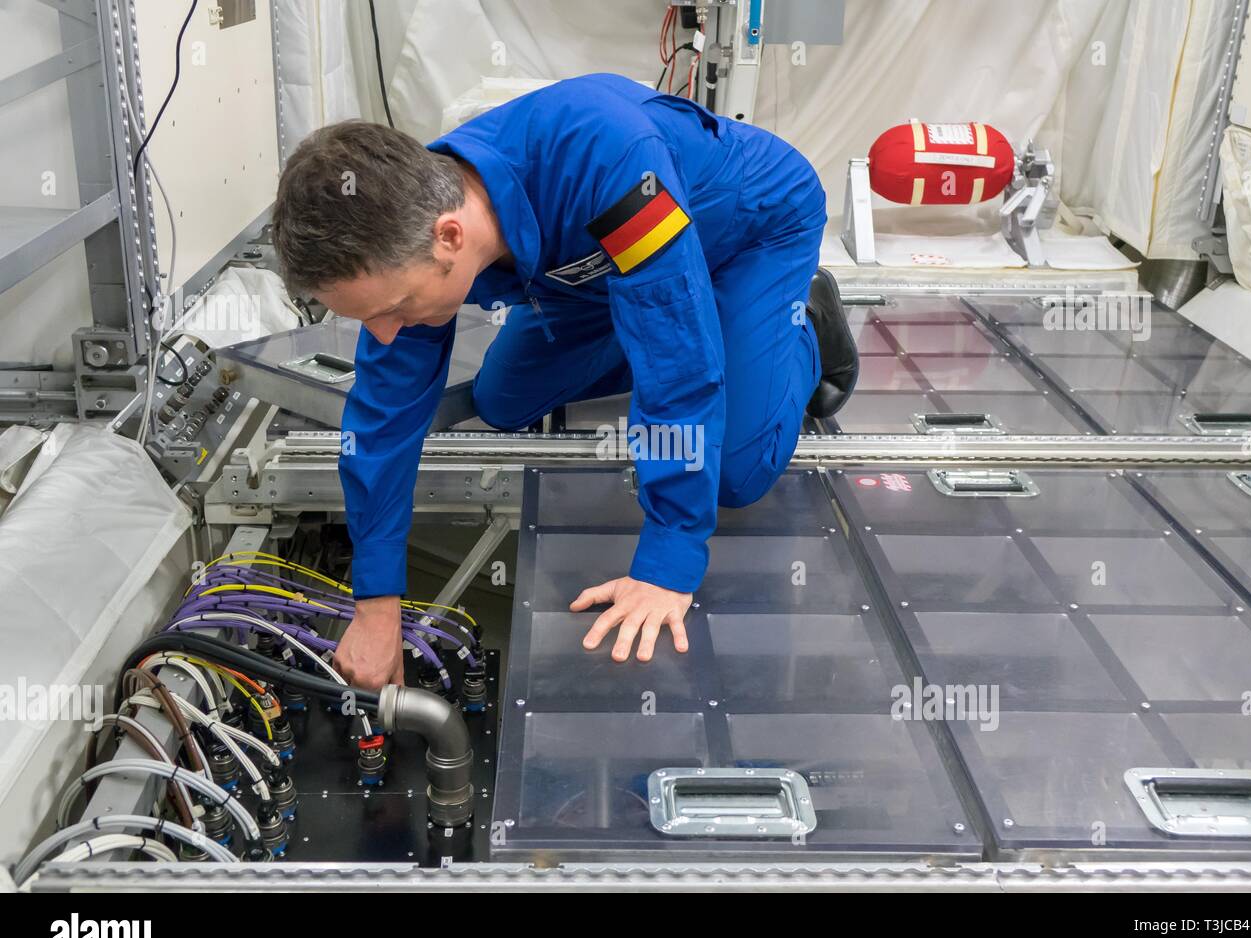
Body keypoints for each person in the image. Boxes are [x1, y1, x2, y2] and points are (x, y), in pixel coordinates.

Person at [271, 73, 855, 691]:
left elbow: (676, 365)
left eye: (393, 309)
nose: (384, 334)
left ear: (450, 236)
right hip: (599, 270)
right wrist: (376, 602)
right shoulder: (406, 224)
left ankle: (806, 330)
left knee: (734, 471)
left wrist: (669, 563)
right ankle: (700, 319)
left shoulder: (616, 168)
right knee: (503, 399)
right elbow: (385, 414)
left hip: (748, 232)